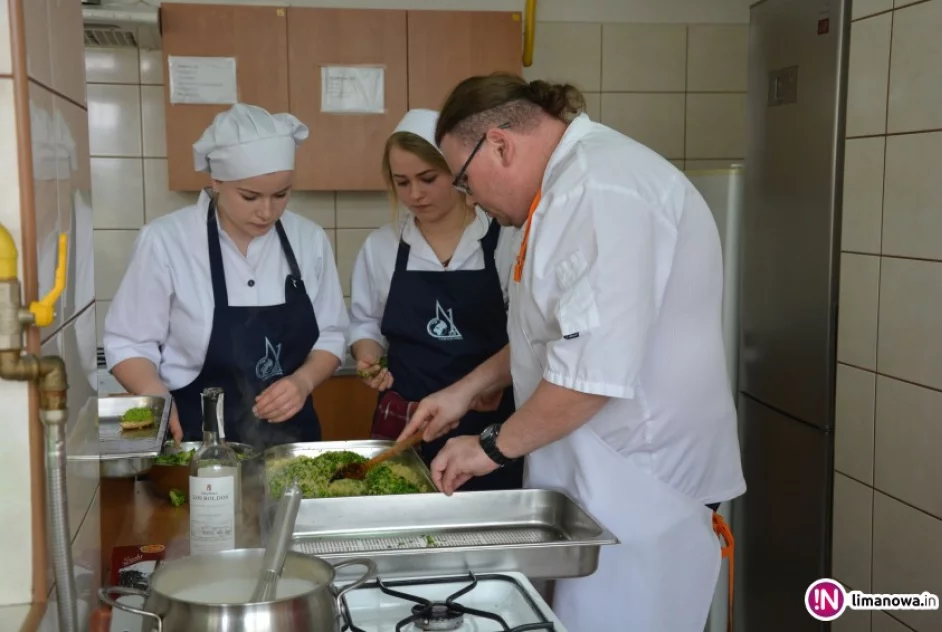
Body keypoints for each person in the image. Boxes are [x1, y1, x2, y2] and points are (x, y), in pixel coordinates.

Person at [397, 74, 746, 632]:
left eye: (464, 180)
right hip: (594, 476)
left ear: (501, 145)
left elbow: (591, 376)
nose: (470, 200)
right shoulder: (559, 192)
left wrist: (489, 447)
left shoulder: (599, 188)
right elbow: (554, 337)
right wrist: (463, 391)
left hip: (641, 486)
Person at [103, 103, 349, 450]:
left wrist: (304, 382)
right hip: (195, 443)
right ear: (216, 181)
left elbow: (332, 334)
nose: (267, 211)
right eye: (250, 196)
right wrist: (154, 393)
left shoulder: (309, 239)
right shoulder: (166, 241)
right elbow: (128, 342)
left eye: (281, 194)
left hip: (292, 446)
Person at [348, 109, 524, 491]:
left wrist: (481, 386)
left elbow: (530, 336)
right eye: (402, 182)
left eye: (428, 178)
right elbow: (365, 323)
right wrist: (367, 356)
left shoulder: (505, 241)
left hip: (493, 430)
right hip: (408, 427)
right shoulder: (382, 247)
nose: (415, 194)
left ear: (460, 172)